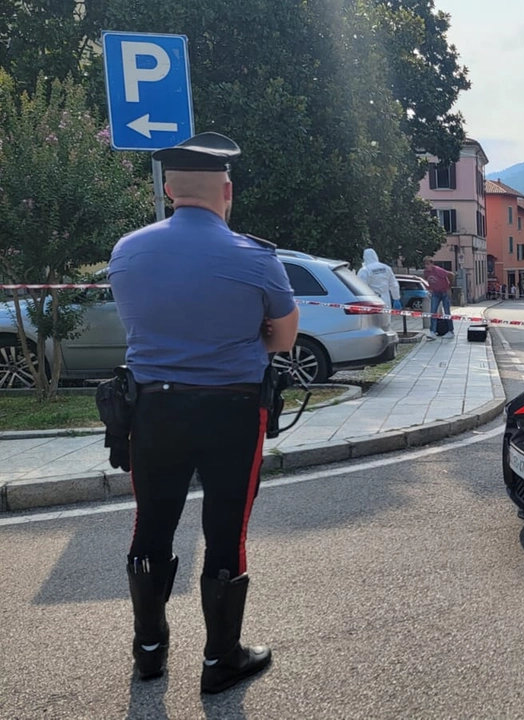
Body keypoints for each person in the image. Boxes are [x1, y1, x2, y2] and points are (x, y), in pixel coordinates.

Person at [108, 132, 299, 694]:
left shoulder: (127, 250)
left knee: (152, 522)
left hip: (153, 410)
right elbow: (283, 339)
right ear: (227, 191)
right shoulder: (255, 257)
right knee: (225, 531)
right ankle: (220, 660)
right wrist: (241, 336)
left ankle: (149, 651)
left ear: (168, 189)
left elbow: (138, 325)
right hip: (232, 411)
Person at [422, 258, 455, 338]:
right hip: (435, 293)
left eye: (428, 264)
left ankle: (450, 331)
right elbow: (428, 280)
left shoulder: (438, 270)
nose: (426, 266)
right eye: (425, 264)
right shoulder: (426, 272)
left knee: (447, 312)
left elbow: (451, 275)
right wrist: (430, 288)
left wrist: (449, 287)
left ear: (432, 264)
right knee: (433, 312)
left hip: (444, 292)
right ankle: (432, 331)